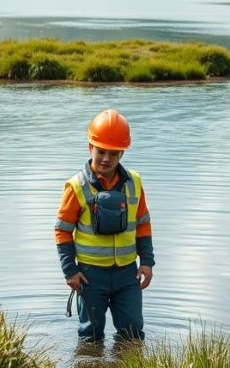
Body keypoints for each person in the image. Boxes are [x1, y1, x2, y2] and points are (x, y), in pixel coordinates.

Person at [55, 109, 155, 342]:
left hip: (127, 274)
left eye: (113, 153)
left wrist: (147, 262)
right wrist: (70, 271)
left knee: (133, 335)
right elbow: (62, 230)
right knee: (90, 337)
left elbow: (143, 224)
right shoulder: (76, 186)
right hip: (90, 276)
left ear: (122, 153)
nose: (106, 159)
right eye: (101, 151)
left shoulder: (135, 182)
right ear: (91, 147)